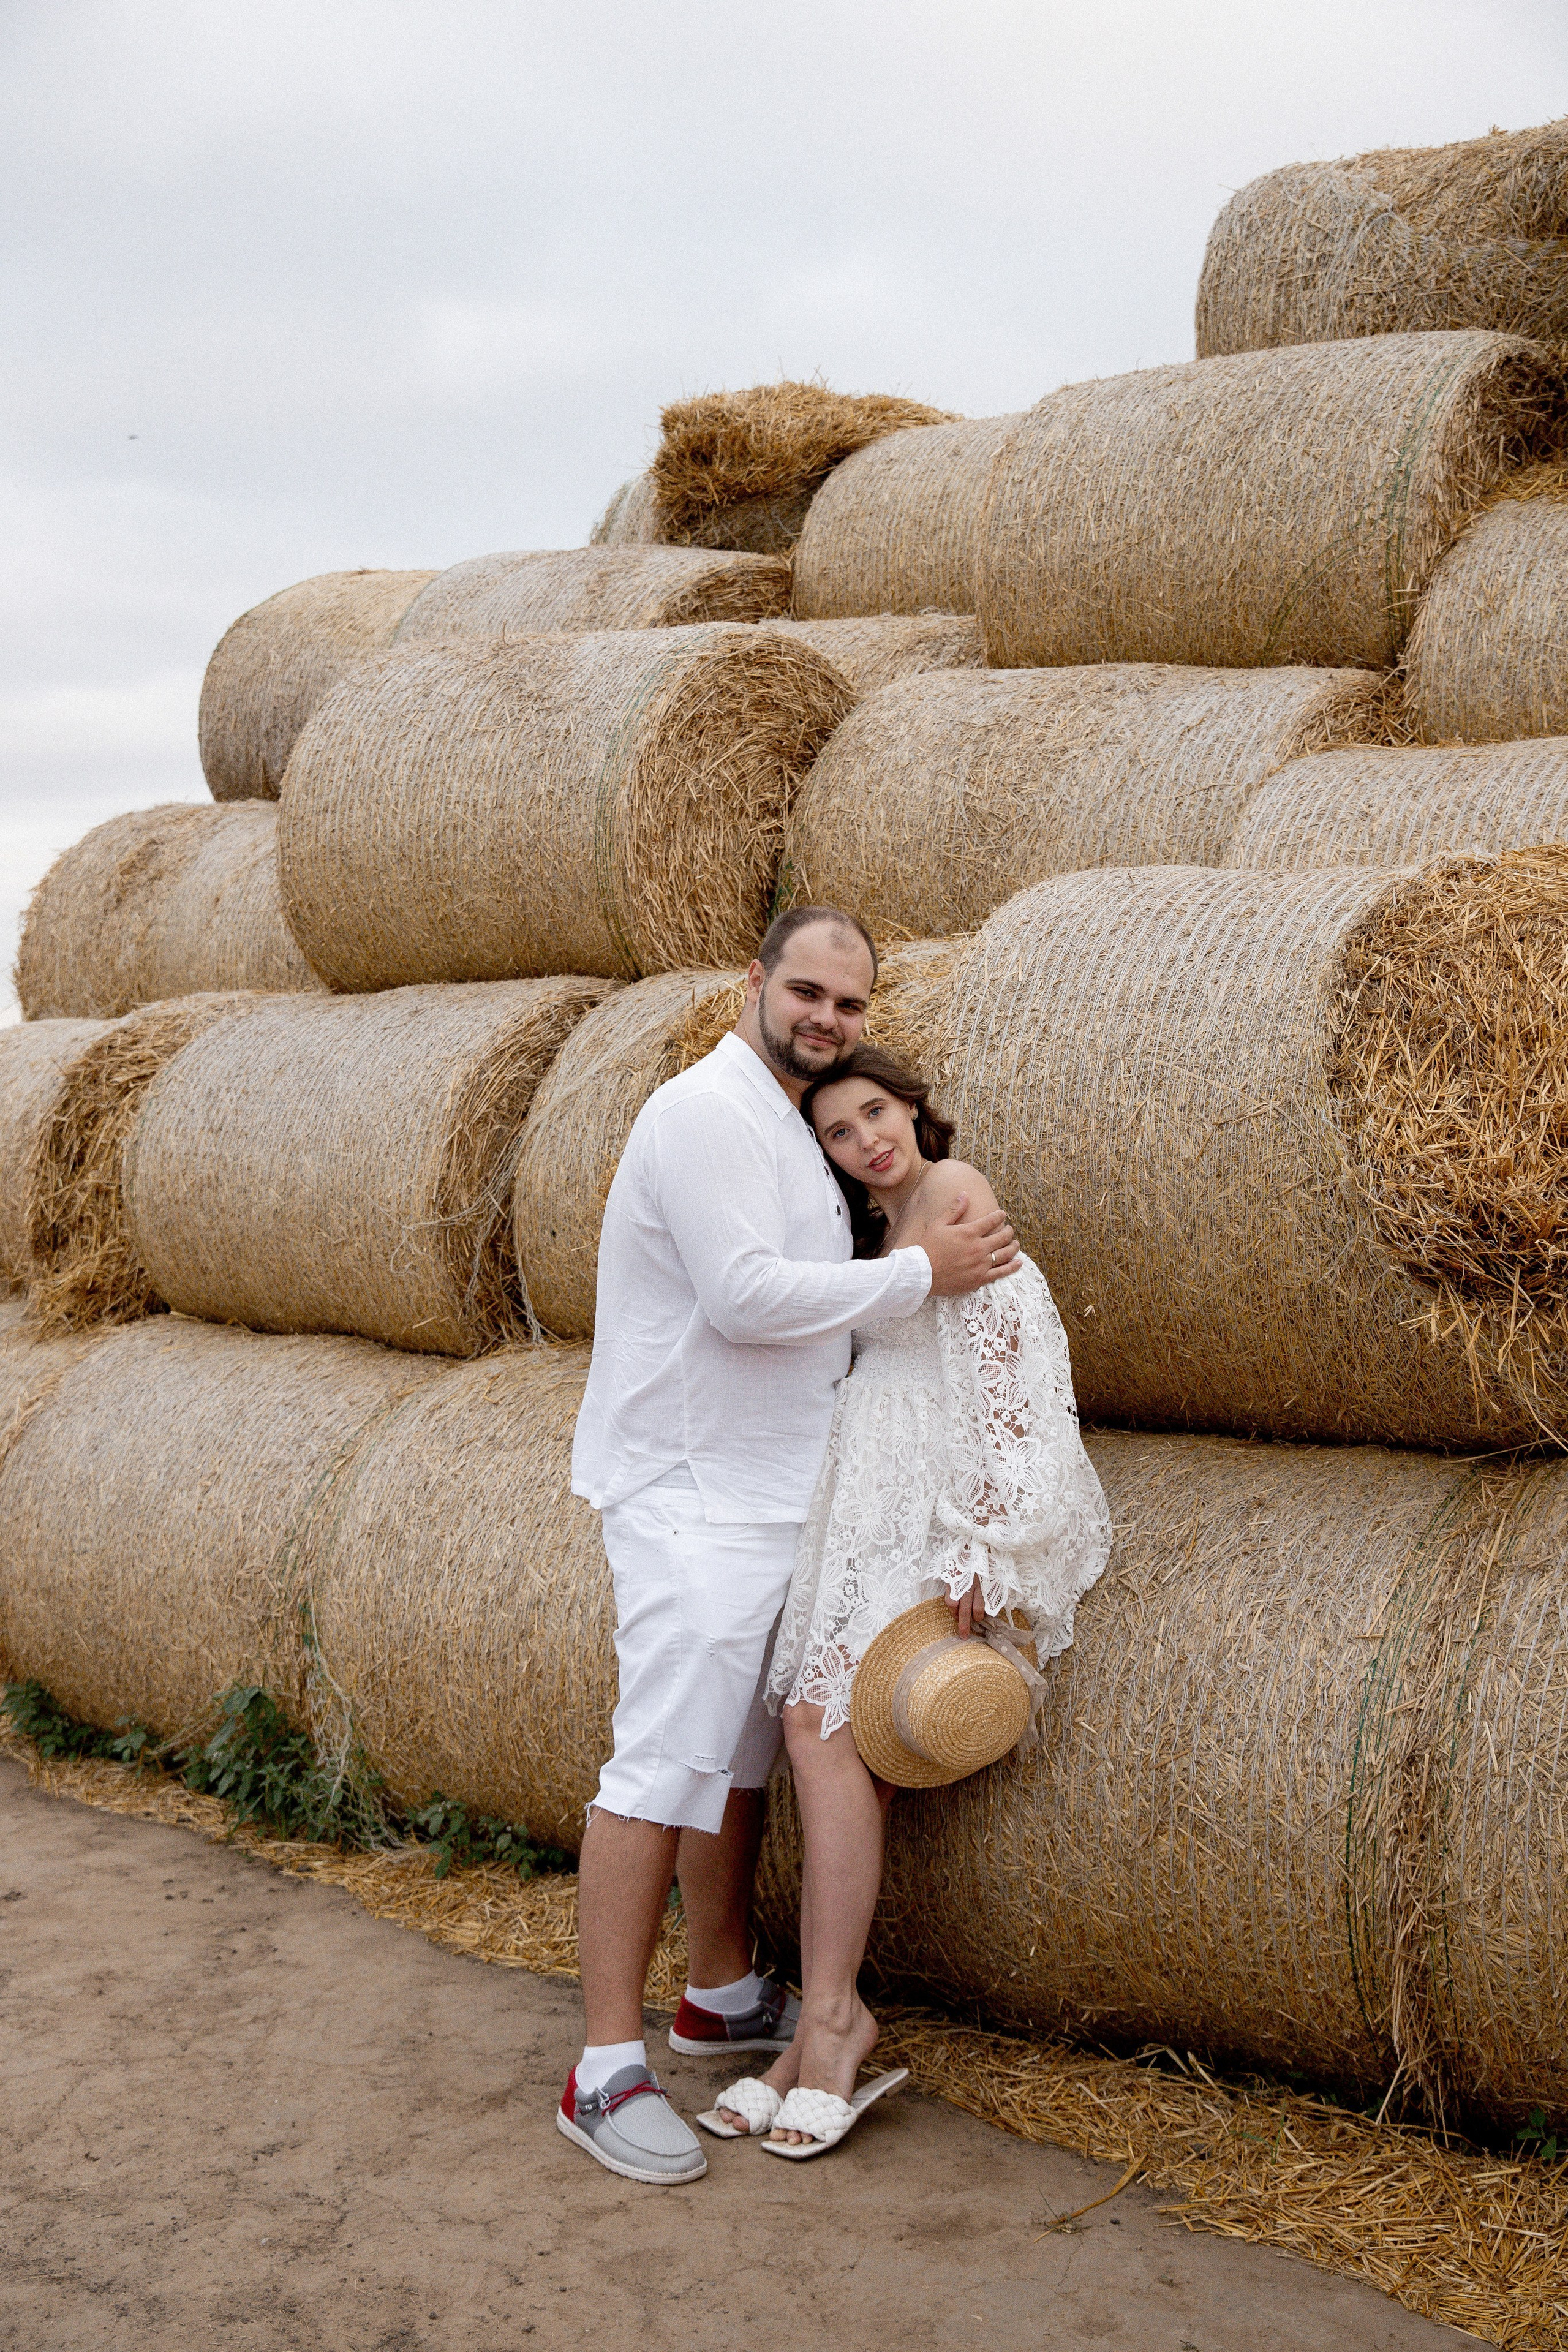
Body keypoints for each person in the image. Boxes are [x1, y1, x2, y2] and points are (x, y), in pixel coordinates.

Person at [559, 910, 1025, 2186]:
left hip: (783, 1497)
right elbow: (745, 1297)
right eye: (806, 992)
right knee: (660, 1764)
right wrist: (918, 1274)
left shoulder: (795, 1126)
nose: (825, 1018)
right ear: (753, 982)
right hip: (692, 1496)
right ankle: (601, 2070)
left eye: (850, 1005)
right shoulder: (705, 1112)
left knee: (740, 1759)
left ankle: (719, 1992)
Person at [705, 1044, 1111, 2158]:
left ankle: (829, 2022)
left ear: (912, 1108)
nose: (866, 1139)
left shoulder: (953, 1192)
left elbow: (1006, 1371)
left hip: (933, 1520)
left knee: (815, 1725)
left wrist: (983, 1542)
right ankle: (818, 2035)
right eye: (840, 1131)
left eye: (876, 1111)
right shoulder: (872, 1241)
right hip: (865, 1516)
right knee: (844, 1737)